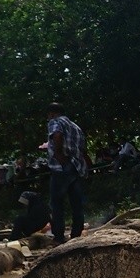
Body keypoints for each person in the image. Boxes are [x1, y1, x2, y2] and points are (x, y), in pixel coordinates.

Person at [46, 102, 88, 244]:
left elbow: (57, 134)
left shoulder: (55, 121)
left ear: (52, 113)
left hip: (62, 166)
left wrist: (58, 154)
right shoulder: (76, 127)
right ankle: (76, 235)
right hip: (76, 167)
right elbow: (82, 147)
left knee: (57, 204)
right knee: (76, 203)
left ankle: (58, 237)